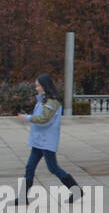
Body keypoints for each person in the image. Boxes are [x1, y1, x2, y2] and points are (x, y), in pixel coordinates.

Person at [16, 74, 81, 203]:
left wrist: (27, 118)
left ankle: (76, 191)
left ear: (45, 86)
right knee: (30, 167)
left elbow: (45, 119)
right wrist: (29, 117)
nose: (36, 88)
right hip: (40, 141)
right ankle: (23, 197)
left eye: (38, 85)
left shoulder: (52, 102)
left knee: (53, 168)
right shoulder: (43, 100)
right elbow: (41, 117)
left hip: (46, 141)